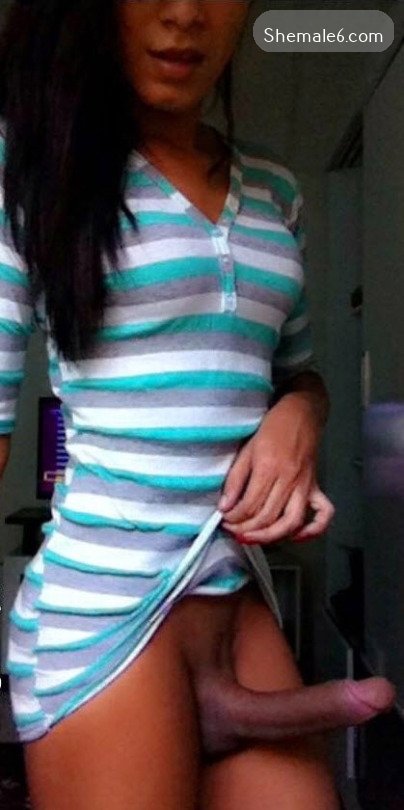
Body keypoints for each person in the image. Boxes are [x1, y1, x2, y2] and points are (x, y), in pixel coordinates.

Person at [0, 0, 395, 807]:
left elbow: (296, 375)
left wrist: (300, 418)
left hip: (236, 600)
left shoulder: (276, 189)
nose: (184, 14)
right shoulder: (27, 169)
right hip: (106, 623)